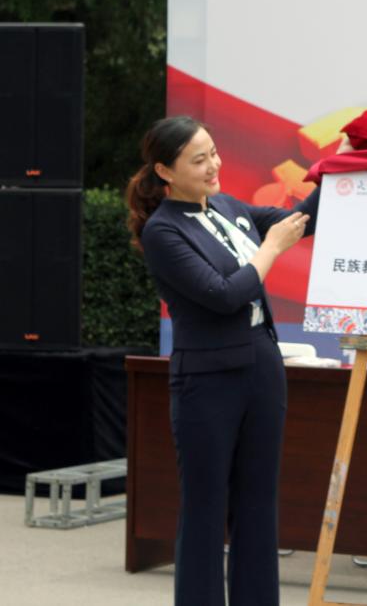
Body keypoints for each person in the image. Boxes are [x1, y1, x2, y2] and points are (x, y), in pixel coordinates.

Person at [125, 115, 319, 606]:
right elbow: (224, 295)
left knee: (258, 503)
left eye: (213, 152)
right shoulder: (164, 232)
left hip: (261, 367)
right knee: (205, 508)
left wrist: (344, 169)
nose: (213, 165)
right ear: (165, 172)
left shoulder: (229, 207)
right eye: (199, 159)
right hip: (207, 380)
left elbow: (302, 221)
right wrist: (270, 249)